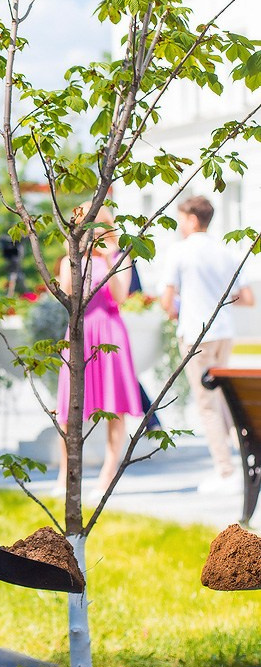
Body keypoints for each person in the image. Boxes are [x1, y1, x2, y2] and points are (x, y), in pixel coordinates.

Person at [160, 195, 254, 493]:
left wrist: (181, 307)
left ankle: (225, 471)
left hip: (198, 334)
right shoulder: (225, 250)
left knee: (207, 405)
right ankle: (239, 463)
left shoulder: (180, 252)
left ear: (191, 219)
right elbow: (247, 298)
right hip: (224, 332)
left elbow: (166, 302)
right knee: (226, 400)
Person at [56, 204, 143, 497]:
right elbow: (68, 293)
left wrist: (108, 255)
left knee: (114, 406)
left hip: (110, 333)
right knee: (67, 410)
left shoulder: (120, 257)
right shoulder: (72, 258)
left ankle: (107, 475)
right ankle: (64, 476)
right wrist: (74, 255)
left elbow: (120, 296)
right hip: (80, 333)